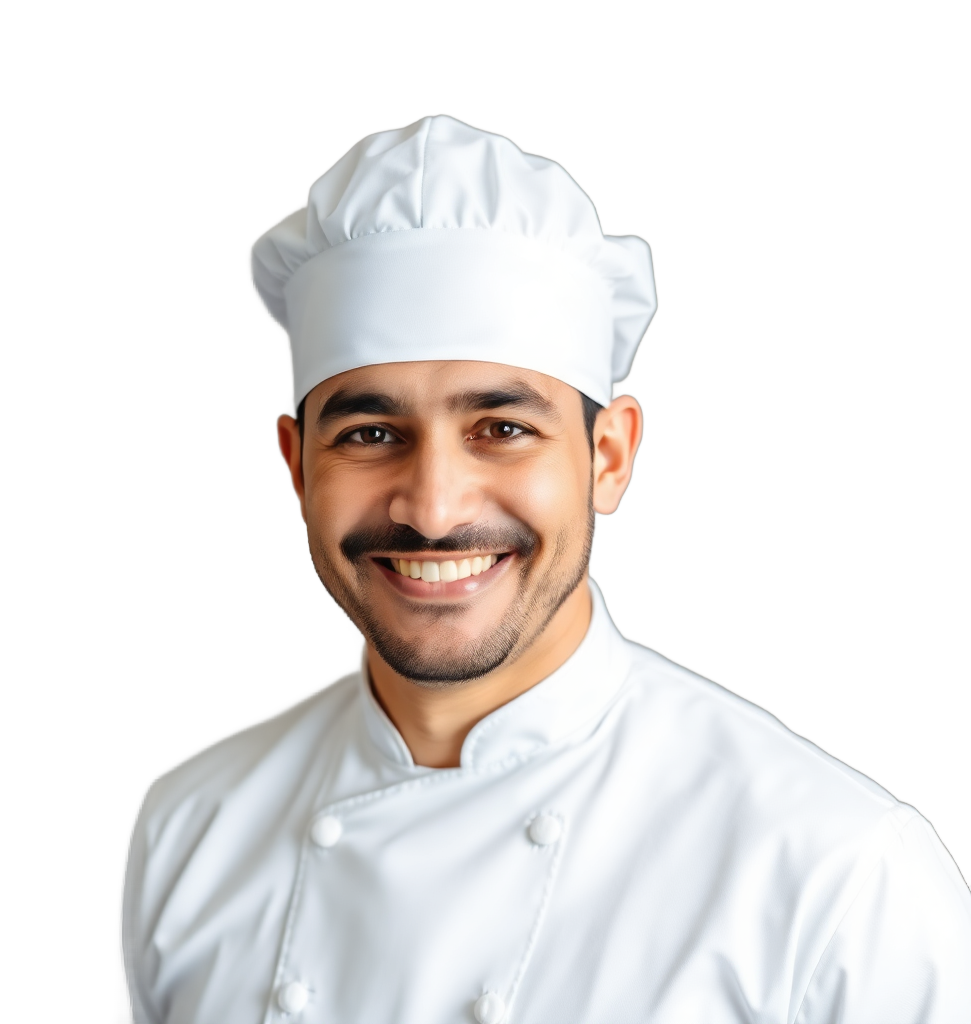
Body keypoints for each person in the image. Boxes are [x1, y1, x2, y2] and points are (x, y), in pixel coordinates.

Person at [121, 116, 971, 1024]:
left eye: (502, 429)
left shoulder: (839, 881)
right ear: (299, 468)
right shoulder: (192, 839)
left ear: (609, 457)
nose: (433, 509)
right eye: (370, 434)